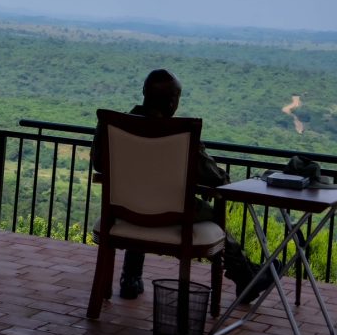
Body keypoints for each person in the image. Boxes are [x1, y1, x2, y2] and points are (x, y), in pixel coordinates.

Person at [92, 69, 274, 303]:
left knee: (143, 200)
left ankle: (130, 278)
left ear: (143, 93)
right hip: (173, 214)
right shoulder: (180, 134)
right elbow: (214, 178)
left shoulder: (114, 126)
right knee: (213, 216)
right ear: (171, 102)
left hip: (125, 212)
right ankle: (245, 275)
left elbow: (99, 164)